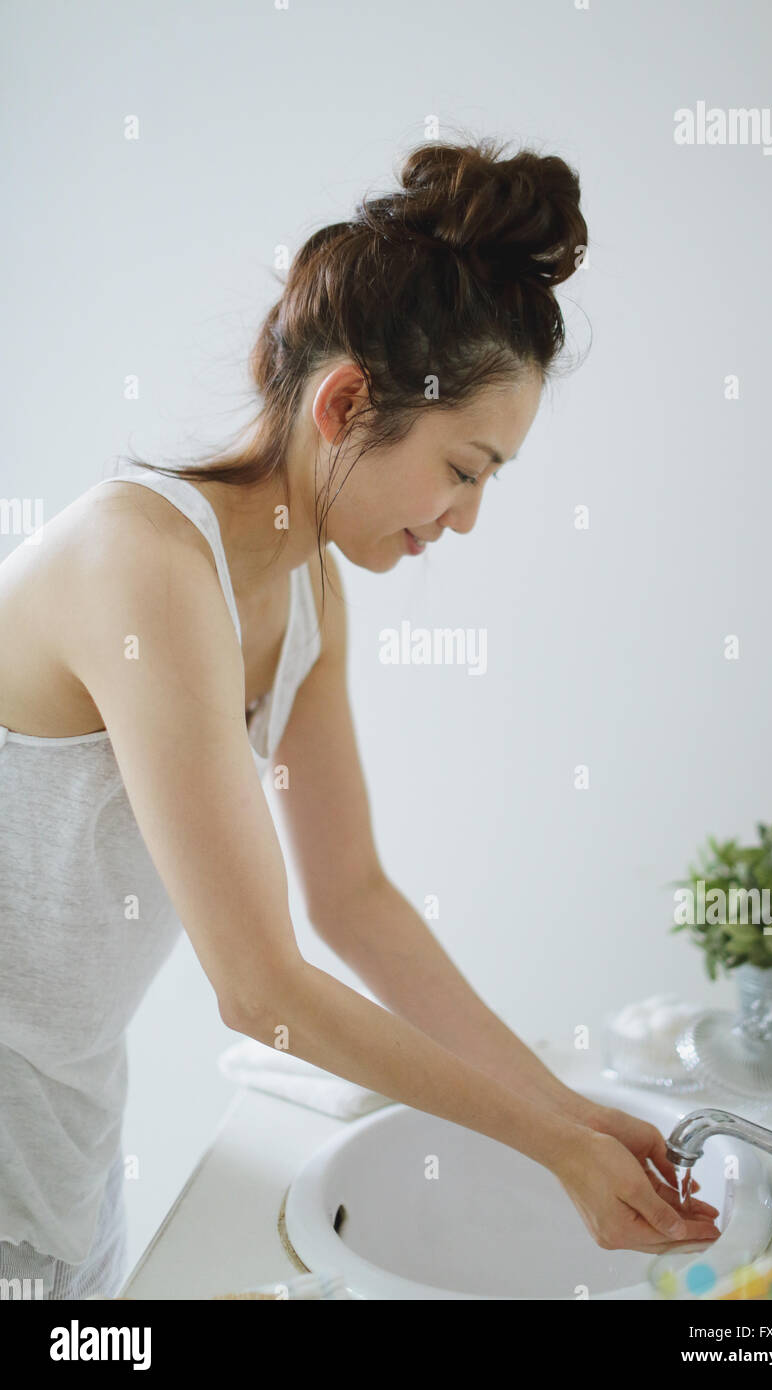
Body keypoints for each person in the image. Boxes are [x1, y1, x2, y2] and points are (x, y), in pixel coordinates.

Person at [0, 137, 718, 1300]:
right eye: (466, 467)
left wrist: (570, 1112)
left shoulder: (308, 588)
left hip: (63, 1149)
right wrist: (547, 1151)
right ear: (346, 403)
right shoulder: (137, 558)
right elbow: (261, 987)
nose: (468, 517)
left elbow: (355, 902)